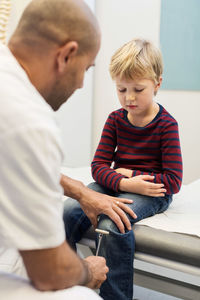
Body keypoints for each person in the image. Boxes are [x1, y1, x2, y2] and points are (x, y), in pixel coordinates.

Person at [0, 0, 136, 298]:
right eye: (85, 69)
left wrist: (78, 189)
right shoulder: (30, 120)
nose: (79, 85)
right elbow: (50, 272)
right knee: (82, 294)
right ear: (66, 55)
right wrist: (87, 270)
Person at [63, 38, 183, 300]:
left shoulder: (166, 125)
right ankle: (69, 286)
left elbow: (172, 181)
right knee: (67, 211)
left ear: (157, 84)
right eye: (122, 89)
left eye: (138, 89)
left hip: (152, 193)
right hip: (121, 183)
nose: (129, 98)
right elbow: (98, 167)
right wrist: (125, 182)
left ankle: (114, 296)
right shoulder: (115, 120)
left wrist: (131, 177)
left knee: (113, 222)